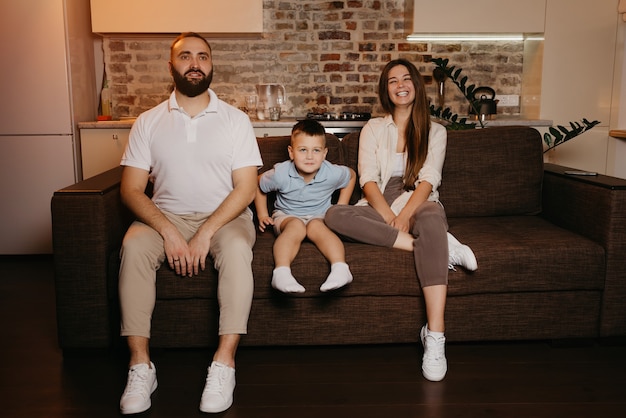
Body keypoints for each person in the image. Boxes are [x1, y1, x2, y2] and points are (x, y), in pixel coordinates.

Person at [117, 32, 262, 415]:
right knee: (132, 246)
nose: (195, 63)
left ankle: (224, 363)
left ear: (212, 66)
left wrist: (205, 233)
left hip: (225, 218)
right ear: (172, 66)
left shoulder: (236, 120)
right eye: (186, 57)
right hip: (166, 216)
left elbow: (246, 189)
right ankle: (140, 365)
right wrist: (167, 230)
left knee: (233, 249)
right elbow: (131, 190)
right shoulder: (148, 122)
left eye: (203, 56)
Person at [325, 59, 476, 382]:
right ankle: (439, 249)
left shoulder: (436, 131)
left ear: (416, 86)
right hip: (379, 202)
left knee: (432, 220)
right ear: (386, 89)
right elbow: (367, 180)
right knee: (335, 214)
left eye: (406, 79)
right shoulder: (374, 129)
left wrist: (405, 214)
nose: (400, 85)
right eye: (392, 81)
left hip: (419, 200)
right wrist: (390, 216)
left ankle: (435, 335)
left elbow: (428, 179)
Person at [255, 119, 357, 293]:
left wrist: (341, 206)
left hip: (319, 216)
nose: (310, 156)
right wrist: (262, 214)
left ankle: (341, 269)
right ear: (291, 152)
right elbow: (257, 183)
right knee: (296, 227)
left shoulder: (331, 172)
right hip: (287, 215)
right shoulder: (280, 173)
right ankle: (281, 273)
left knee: (316, 226)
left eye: (316, 150)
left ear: (324, 153)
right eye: (303, 150)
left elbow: (352, 176)